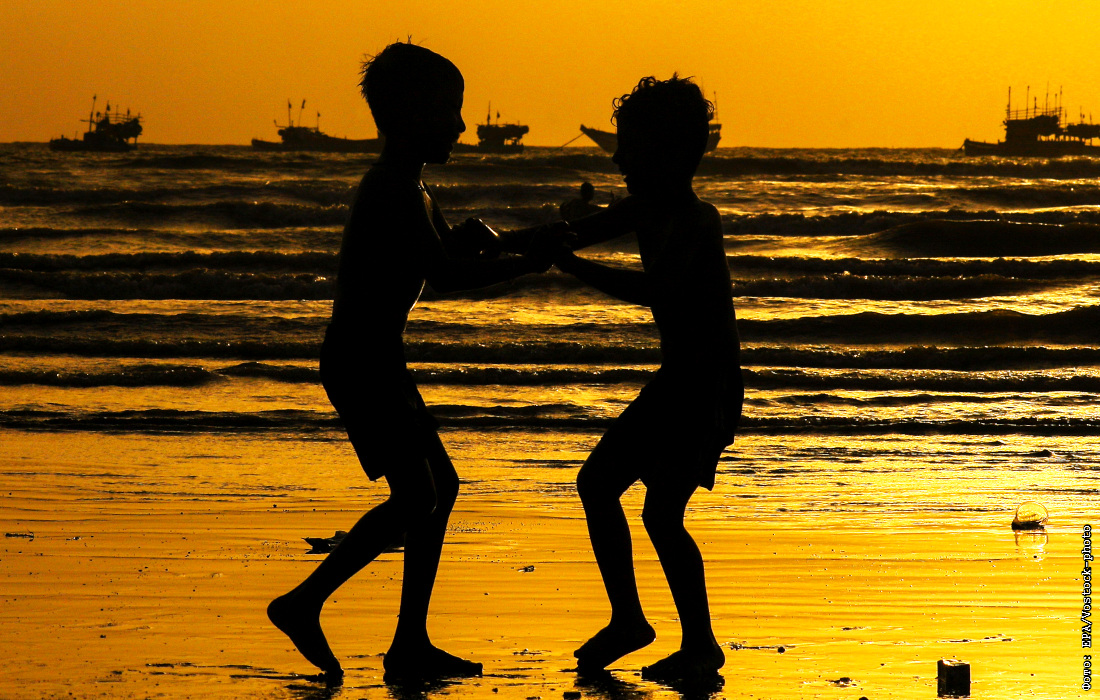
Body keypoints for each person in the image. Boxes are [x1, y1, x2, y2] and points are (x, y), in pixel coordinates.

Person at [267, 42, 561, 683]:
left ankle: (409, 642)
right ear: (410, 114)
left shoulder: (411, 188)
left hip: (377, 360)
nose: (460, 124)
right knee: (417, 496)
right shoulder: (392, 190)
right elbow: (447, 276)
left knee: (438, 491)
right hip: (361, 364)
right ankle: (303, 602)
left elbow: (440, 253)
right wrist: (525, 263)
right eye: (449, 111)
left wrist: (503, 241)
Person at [553, 75, 743, 682]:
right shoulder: (645, 209)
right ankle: (642, 624)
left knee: (650, 508)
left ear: (666, 153)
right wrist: (497, 245)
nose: (618, 161)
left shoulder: (696, 219)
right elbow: (570, 236)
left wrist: (569, 265)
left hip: (705, 385)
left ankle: (686, 640)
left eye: (629, 148)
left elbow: (655, 289)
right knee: (611, 491)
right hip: (680, 379)